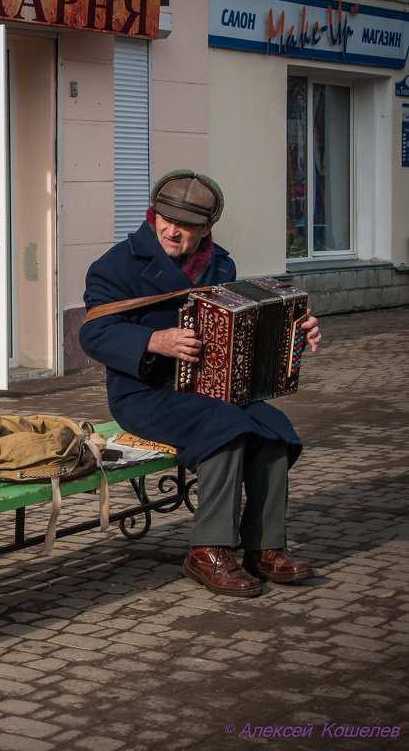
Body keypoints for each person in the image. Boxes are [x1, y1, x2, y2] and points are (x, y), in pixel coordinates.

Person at [79, 169, 322, 597]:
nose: (173, 230)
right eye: (165, 219)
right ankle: (207, 549)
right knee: (225, 429)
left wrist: (295, 332)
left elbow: (242, 321)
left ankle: (264, 548)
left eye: (188, 225)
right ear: (153, 215)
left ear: (207, 228)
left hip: (210, 390)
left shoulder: (220, 263)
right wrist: (155, 340)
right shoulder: (114, 266)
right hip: (145, 393)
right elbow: (93, 334)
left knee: (274, 430)